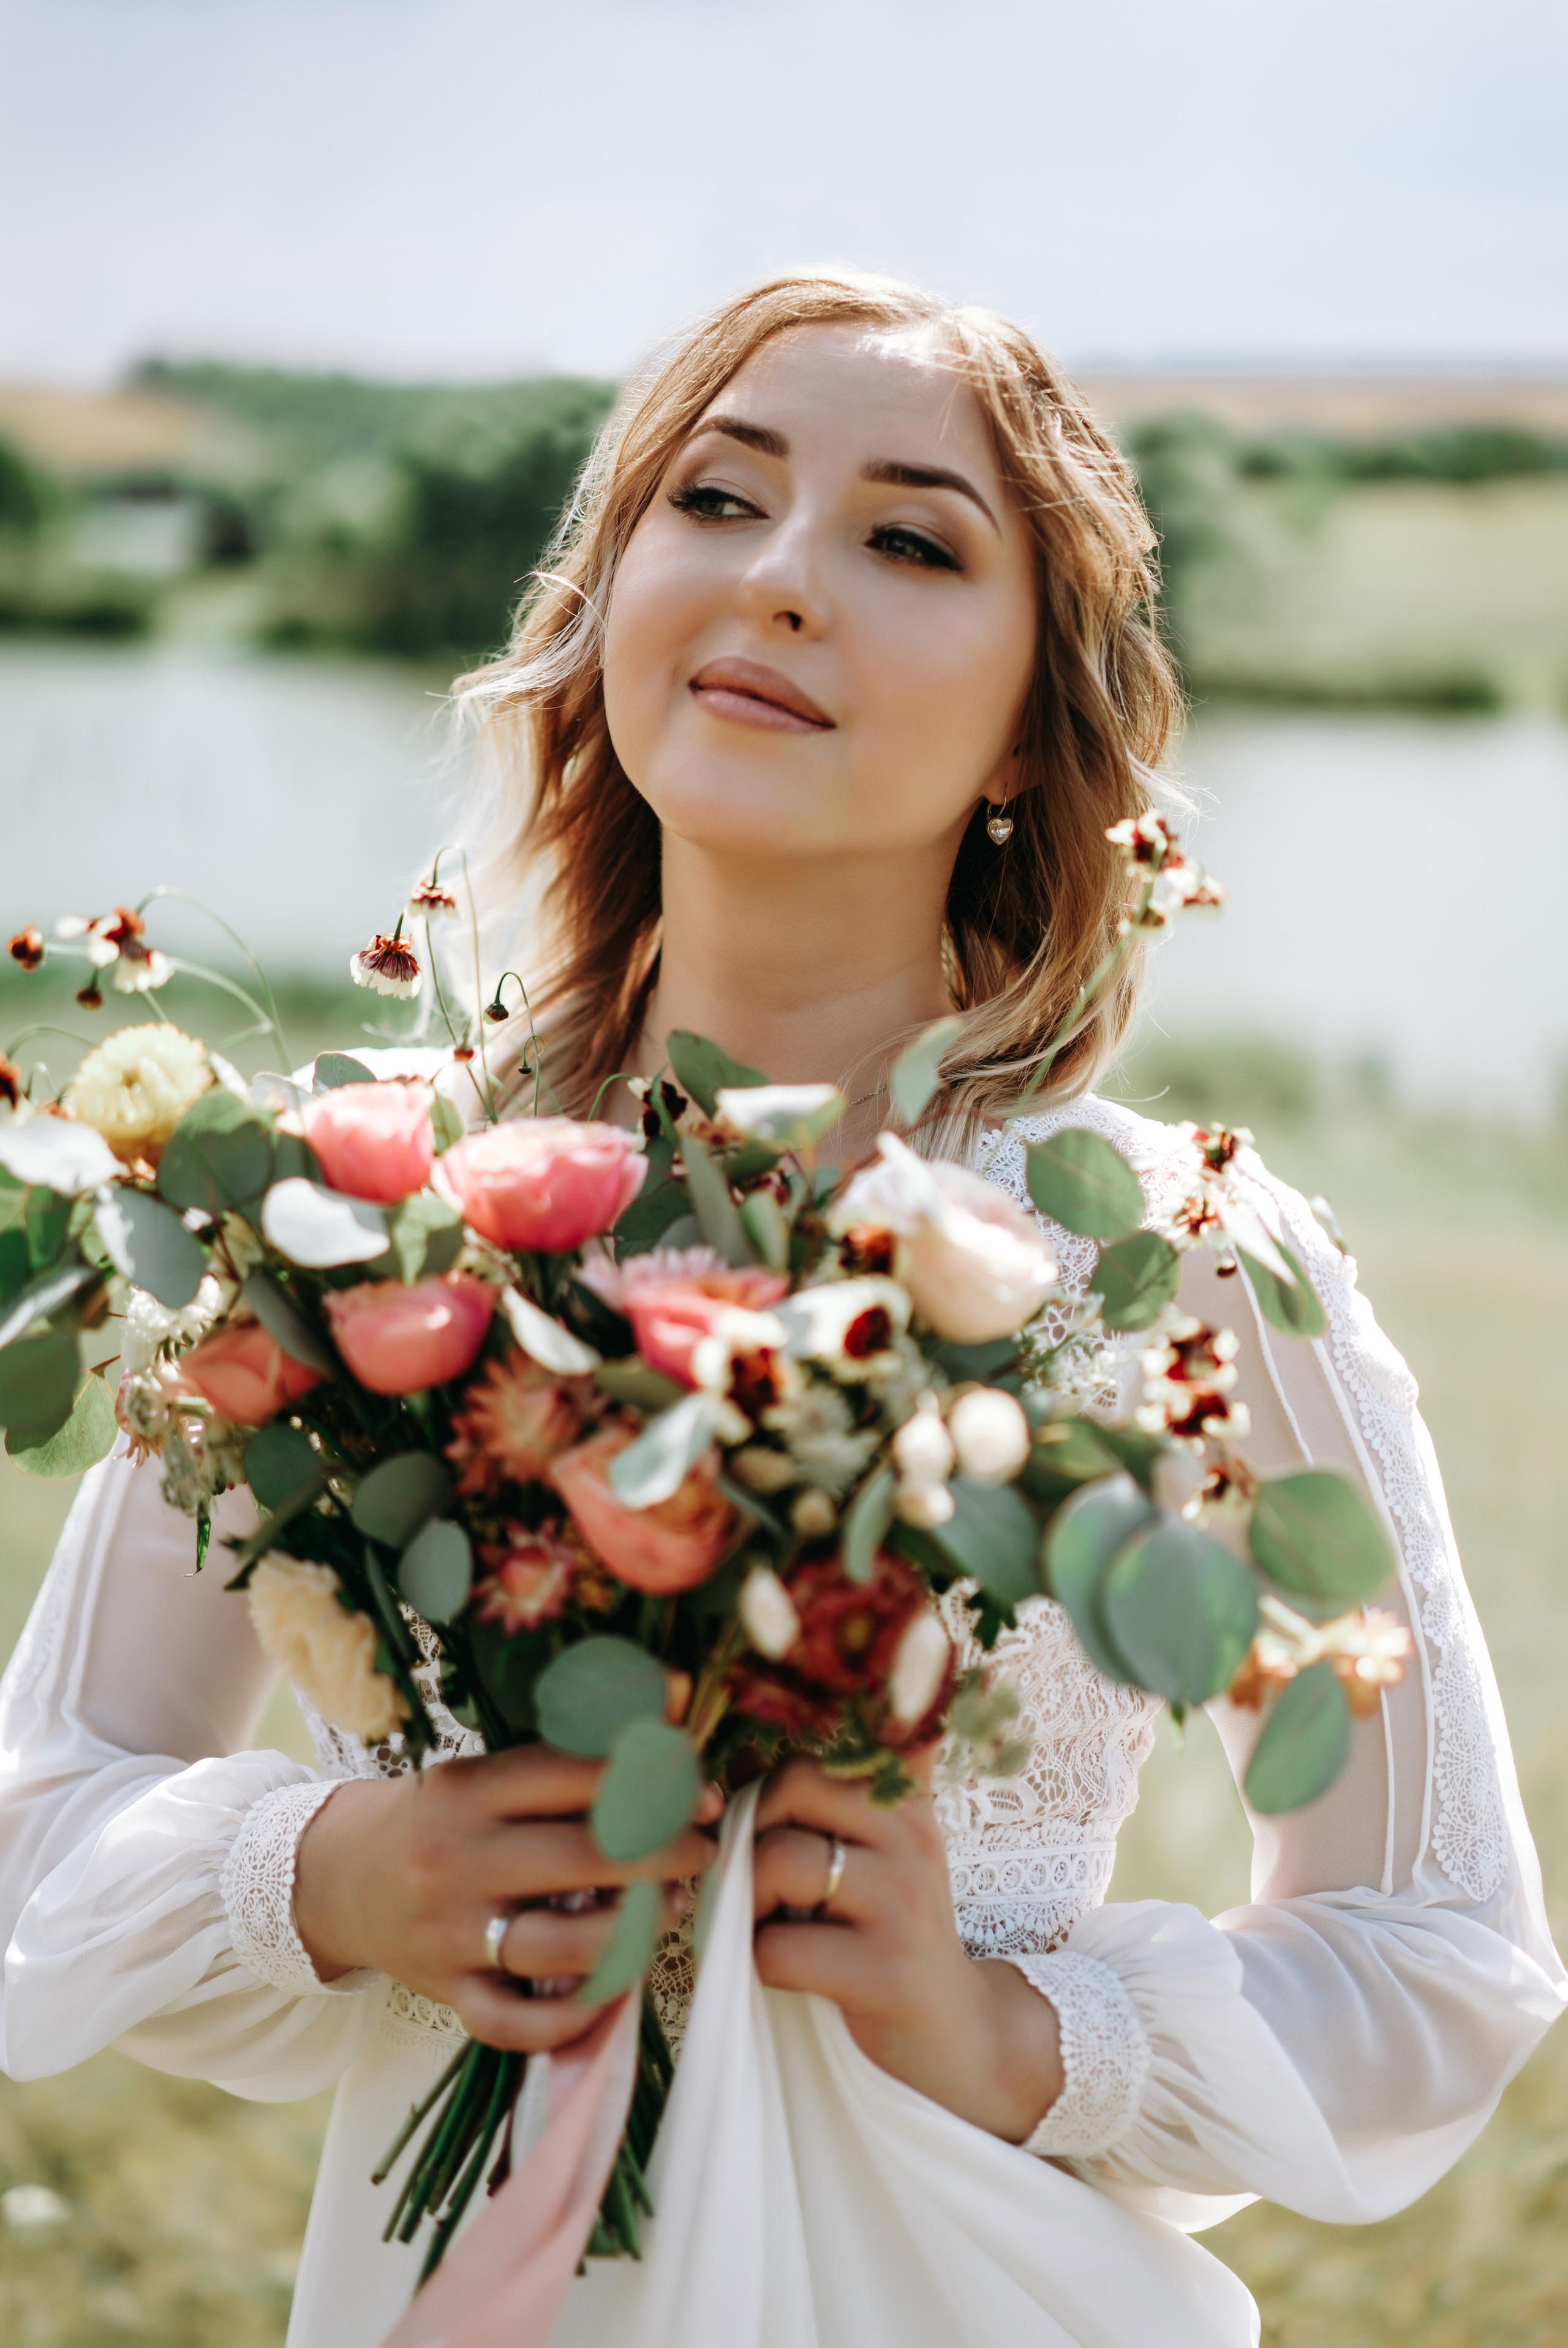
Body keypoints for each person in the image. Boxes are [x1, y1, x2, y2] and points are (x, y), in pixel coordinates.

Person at [0, 272, 1561, 2348]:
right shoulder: (337, 1208)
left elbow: (1436, 1943)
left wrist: (1009, 2031)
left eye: (910, 539)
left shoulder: (1179, 1255)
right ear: (610, 590)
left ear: (1030, 727)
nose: (785, 577)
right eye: (719, 499)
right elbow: (41, 1816)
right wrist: (341, 1871)